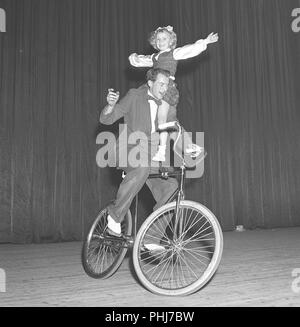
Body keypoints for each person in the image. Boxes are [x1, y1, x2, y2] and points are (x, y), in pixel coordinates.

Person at [99, 68, 202, 238]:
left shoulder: (167, 106)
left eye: (167, 85)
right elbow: (107, 119)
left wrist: (189, 149)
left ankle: (151, 237)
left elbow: (174, 131)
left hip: (152, 157)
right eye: (161, 84)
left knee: (172, 188)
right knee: (142, 166)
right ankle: (114, 216)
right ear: (150, 83)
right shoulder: (134, 96)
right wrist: (110, 106)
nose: (164, 88)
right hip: (128, 150)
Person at [129, 25, 218, 162]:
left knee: (161, 120)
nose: (160, 41)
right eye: (158, 39)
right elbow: (142, 60)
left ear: (170, 41)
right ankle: (189, 146)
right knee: (170, 121)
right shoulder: (155, 57)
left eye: (164, 38)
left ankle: (161, 151)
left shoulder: (173, 53)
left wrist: (204, 42)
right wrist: (133, 58)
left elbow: (188, 50)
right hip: (158, 90)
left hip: (166, 88)